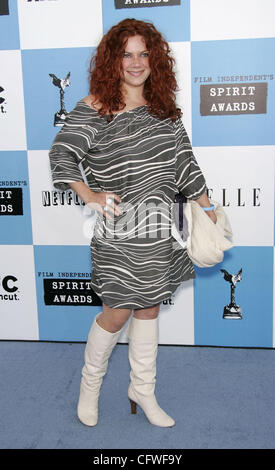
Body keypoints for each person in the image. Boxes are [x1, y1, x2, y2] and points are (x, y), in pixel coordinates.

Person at [48, 18, 217, 428]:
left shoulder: (163, 109)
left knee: (149, 310)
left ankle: (142, 389)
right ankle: (91, 386)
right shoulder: (95, 107)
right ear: (113, 60)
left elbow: (184, 162)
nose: (136, 62)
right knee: (118, 312)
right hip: (121, 229)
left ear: (154, 59)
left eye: (144, 53)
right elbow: (61, 156)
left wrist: (206, 205)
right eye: (127, 53)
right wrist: (90, 194)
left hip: (160, 227)